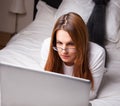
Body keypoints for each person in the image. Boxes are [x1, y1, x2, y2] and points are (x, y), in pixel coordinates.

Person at [40, 12, 106, 100]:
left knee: (98, 35)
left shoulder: (97, 54)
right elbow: (44, 84)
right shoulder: (48, 45)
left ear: (81, 43)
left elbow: (91, 94)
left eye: (71, 44)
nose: (64, 51)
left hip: (89, 51)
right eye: (59, 43)